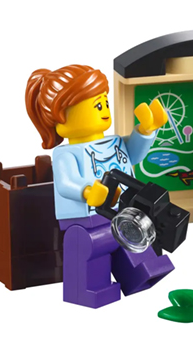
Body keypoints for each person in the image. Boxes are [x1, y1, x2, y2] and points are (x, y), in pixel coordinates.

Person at [25, 64, 172, 308]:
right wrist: (86, 191)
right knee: (91, 247)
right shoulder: (66, 154)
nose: (105, 110)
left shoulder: (113, 142)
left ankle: (140, 273)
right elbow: (65, 183)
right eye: (97, 105)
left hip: (122, 211)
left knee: (131, 238)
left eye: (105, 102)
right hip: (87, 219)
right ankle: (91, 288)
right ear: (62, 115)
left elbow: (133, 155)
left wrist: (145, 131)